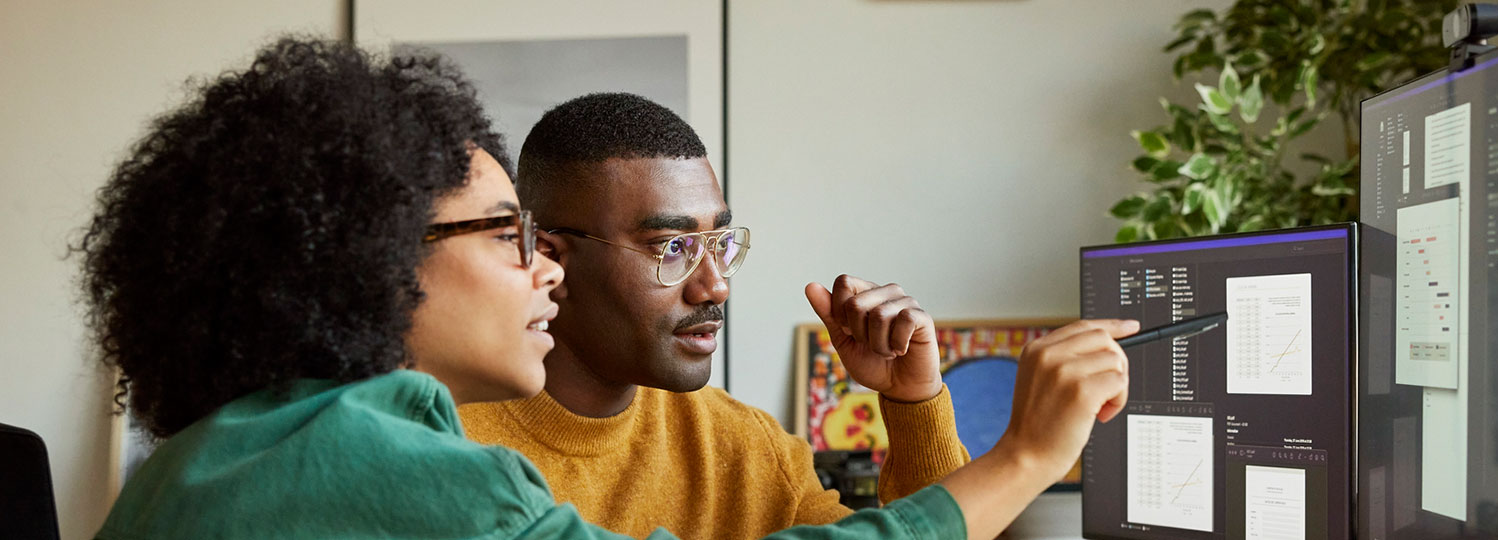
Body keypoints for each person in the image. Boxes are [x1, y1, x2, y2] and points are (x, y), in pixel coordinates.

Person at [81, 37, 1136, 540]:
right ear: (376, 256)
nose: (538, 265)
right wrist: (1027, 455)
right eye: (509, 236)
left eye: (722, 243)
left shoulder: (217, 458)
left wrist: (915, 408)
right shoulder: (409, 470)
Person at [457, 93, 981, 539]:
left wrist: (915, 403)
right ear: (551, 261)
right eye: (673, 248)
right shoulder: (443, 445)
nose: (716, 286)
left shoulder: (747, 449)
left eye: (719, 244)